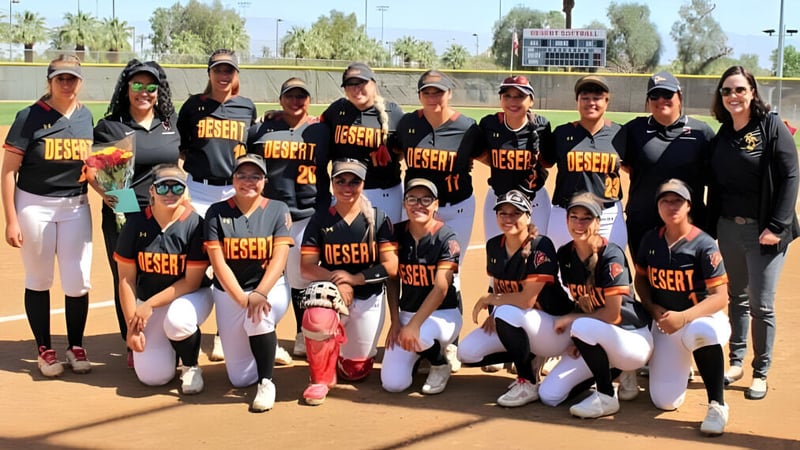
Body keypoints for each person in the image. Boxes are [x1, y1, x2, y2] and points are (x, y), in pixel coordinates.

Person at [708, 66, 800, 400]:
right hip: (730, 229)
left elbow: (791, 176)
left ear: (752, 92)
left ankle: (761, 370)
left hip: (766, 232)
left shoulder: (771, 127)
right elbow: (714, 185)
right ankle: (736, 361)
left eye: (739, 89)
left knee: (762, 303)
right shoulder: (723, 135)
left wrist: (777, 226)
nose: (733, 96)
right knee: (738, 298)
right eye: (727, 91)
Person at [2, 54, 94, 377]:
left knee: (78, 280)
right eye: (60, 79)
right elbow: (8, 172)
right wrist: (11, 219)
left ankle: (76, 345)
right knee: (39, 279)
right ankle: (44, 347)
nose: (67, 84)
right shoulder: (29, 117)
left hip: (75, 205)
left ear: (80, 82)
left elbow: (92, 170)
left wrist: (117, 197)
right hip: (34, 205)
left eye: (72, 79)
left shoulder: (86, 117)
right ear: (49, 81)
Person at [392, 69, 483, 373]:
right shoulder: (408, 124)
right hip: (417, 208)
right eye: (427, 92)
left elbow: (490, 154)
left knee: (449, 274)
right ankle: (422, 339)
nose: (433, 97)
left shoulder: (468, 128)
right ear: (419, 95)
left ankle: (450, 342)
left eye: (438, 91)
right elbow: (390, 147)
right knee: (416, 268)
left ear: (449, 93)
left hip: (456, 207)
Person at [92, 59, 179, 368]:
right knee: (127, 278)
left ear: (159, 90)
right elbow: (96, 171)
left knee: (165, 273)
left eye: (151, 86)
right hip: (125, 212)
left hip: (166, 213)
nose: (145, 92)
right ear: (126, 88)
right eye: (138, 85)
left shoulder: (170, 122)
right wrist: (120, 204)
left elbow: (178, 165)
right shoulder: (111, 125)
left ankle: (169, 337)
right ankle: (132, 337)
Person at [538, 192, 652, 418]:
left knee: (581, 327)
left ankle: (607, 395)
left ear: (598, 222)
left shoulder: (611, 255)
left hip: (630, 336)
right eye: (574, 217)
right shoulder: (565, 254)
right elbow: (582, 301)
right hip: (598, 335)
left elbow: (611, 314)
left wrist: (573, 323)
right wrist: (580, 341)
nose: (579, 224)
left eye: (586, 218)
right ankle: (611, 369)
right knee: (549, 395)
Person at [458, 190, 574, 407]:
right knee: (467, 353)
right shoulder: (494, 245)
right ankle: (529, 357)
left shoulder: (541, 246)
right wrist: (493, 313)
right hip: (523, 323)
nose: (508, 218)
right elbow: (496, 286)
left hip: (554, 327)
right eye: (503, 213)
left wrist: (492, 301)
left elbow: (526, 300)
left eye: (515, 213)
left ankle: (527, 382)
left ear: (528, 216)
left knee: (507, 312)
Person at [177, 49, 257, 363]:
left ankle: (225, 334)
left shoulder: (246, 107)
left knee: (234, 262)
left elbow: (252, 148)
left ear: (236, 74)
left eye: (229, 70)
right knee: (194, 259)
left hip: (234, 191)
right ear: (209, 72)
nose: (224, 75)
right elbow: (181, 147)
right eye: (218, 70)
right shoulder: (193, 106)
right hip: (198, 190)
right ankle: (186, 331)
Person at [634, 179, 731, 436]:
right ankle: (682, 362)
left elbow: (721, 297)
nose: (671, 206)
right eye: (665, 201)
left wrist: (684, 317)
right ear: (658, 207)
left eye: (677, 200)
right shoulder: (650, 240)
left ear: (688, 206)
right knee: (665, 401)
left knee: (699, 333)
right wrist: (653, 308)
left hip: (703, 318)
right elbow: (640, 278)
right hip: (666, 324)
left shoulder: (703, 244)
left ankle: (717, 405)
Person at [300, 158, 398, 406]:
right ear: (332, 183)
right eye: (340, 180)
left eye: (354, 181)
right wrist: (338, 281)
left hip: (369, 294)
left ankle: (336, 353)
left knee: (356, 371)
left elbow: (391, 266)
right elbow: (307, 267)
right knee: (317, 315)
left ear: (363, 183)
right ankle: (320, 378)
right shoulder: (321, 219)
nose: (347, 187)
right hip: (334, 292)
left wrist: (355, 279)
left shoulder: (377, 218)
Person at [248, 77, 331, 358]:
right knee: (258, 272)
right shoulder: (262, 129)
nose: (296, 101)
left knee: (299, 276)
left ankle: (299, 331)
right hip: (271, 214)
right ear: (280, 99)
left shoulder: (322, 130)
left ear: (309, 100)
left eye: (302, 96)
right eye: (290, 96)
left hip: (309, 213)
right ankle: (247, 331)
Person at [204, 154, 293, 412]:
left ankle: (267, 382)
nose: (248, 181)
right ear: (233, 179)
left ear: (264, 180)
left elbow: (280, 258)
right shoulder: (217, 212)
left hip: (270, 288)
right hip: (230, 292)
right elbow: (217, 263)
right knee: (239, 378)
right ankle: (266, 347)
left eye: (255, 176)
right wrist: (242, 298)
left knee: (258, 315)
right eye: (242, 175)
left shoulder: (277, 209)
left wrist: (259, 293)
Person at [114, 164, 213, 394]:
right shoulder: (136, 224)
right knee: (153, 377)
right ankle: (171, 347)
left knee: (178, 320)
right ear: (151, 191)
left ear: (186, 191)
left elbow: (191, 282)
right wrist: (132, 326)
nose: (170, 193)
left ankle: (190, 365)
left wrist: (148, 305)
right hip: (151, 302)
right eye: (163, 187)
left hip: (191, 297)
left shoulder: (194, 224)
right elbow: (126, 280)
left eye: (177, 188)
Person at [381, 178, 461, 395]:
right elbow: (392, 278)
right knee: (393, 384)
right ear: (405, 203)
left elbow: (441, 289)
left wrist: (414, 325)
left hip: (443, 315)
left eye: (426, 200)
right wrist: (396, 321)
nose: (419, 205)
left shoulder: (447, 237)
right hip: (408, 313)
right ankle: (418, 355)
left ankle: (439, 363)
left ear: (436, 204)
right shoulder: (395, 233)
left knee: (421, 335)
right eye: (412, 199)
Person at [622, 71, 715, 256]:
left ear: (679, 96)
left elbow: (714, 178)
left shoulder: (701, 132)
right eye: (655, 95)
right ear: (648, 100)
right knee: (646, 279)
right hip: (643, 221)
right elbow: (624, 163)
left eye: (667, 94)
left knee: (689, 280)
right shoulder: (634, 130)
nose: (661, 99)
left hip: (688, 221)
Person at [541, 76, 627, 251]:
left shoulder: (619, 133)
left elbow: (631, 166)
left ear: (607, 101)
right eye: (585, 97)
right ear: (577, 101)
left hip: (607, 215)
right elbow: (545, 162)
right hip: (566, 213)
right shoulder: (562, 133)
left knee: (609, 271)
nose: (591, 103)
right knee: (562, 272)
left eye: (597, 98)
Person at [321, 62, 404, 222]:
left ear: (373, 84)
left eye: (361, 82)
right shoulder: (337, 110)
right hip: (346, 193)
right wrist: (279, 115)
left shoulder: (393, 112)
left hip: (384, 194)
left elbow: (404, 148)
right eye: (350, 84)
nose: (356, 88)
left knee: (385, 244)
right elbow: (312, 125)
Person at [476, 75, 553, 238]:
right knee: (497, 252)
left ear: (531, 101)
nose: (513, 101)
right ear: (500, 99)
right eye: (507, 96)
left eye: (520, 96)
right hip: (499, 199)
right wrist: (502, 162)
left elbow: (548, 162)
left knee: (536, 254)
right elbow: (478, 152)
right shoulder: (489, 124)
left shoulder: (541, 126)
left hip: (534, 200)